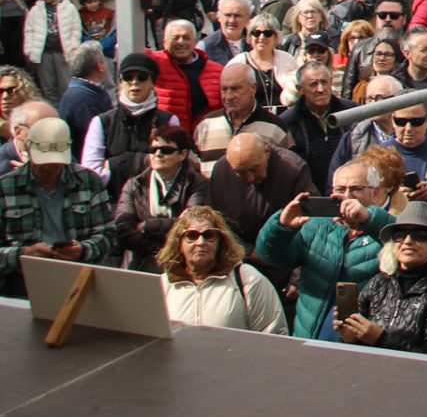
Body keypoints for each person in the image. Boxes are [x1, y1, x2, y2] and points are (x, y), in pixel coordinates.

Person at [255, 155, 395, 338]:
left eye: (356, 189)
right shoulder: (316, 226)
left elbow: (400, 246)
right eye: (340, 189)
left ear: (375, 193)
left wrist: (368, 219)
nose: (347, 196)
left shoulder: (387, 228)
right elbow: (271, 255)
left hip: (362, 341)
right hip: (310, 337)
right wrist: (281, 226)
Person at [0, 116, 116, 295]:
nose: (50, 167)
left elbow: (108, 235)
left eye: (56, 162)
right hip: (20, 283)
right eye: (43, 162)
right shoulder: (5, 187)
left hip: (76, 278)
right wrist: (23, 254)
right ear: (29, 150)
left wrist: (82, 250)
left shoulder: (89, 181)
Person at [337, 199, 427, 356]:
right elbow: (358, 347)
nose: (407, 241)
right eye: (399, 235)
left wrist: (381, 339)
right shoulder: (378, 283)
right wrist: (351, 338)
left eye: (419, 235)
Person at [155, 206, 287, 333]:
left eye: (209, 235)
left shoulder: (248, 280)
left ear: (221, 241)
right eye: (192, 236)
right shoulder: (163, 286)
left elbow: (273, 334)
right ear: (179, 243)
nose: (201, 242)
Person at [114, 121, 206, 270]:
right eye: (153, 149)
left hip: (183, 265)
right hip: (141, 264)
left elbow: (191, 225)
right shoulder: (134, 185)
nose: (158, 154)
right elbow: (123, 230)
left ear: (183, 154)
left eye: (166, 150)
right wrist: (161, 251)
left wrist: (146, 226)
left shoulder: (198, 184)